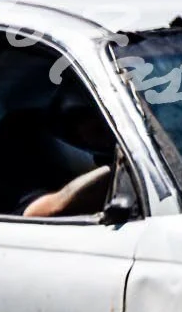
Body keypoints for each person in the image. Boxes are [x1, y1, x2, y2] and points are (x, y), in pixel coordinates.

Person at [19, 81, 121, 217]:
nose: (108, 137)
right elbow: (39, 211)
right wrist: (121, 169)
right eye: (98, 130)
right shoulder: (34, 178)